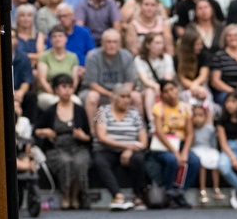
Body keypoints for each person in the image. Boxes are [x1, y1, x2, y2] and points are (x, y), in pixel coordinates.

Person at [35, 74, 93, 210]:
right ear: (56, 90)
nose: (67, 90)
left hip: (78, 146)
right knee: (65, 162)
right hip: (57, 148)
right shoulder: (50, 110)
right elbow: (36, 130)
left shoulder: (79, 110)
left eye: (70, 87)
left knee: (80, 162)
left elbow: (89, 136)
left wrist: (83, 136)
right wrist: (45, 132)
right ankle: (66, 195)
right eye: (63, 87)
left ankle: (75, 196)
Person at [93, 83, 149, 211]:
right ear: (113, 98)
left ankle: (138, 196)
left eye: (128, 97)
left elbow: (144, 140)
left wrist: (129, 149)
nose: (126, 100)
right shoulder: (101, 111)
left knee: (139, 159)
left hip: (130, 151)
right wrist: (126, 145)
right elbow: (102, 137)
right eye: (123, 96)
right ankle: (117, 196)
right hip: (107, 149)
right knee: (99, 160)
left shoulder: (135, 113)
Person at [148, 80, 199, 208]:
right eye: (166, 91)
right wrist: (176, 152)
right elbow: (159, 132)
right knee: (172, 160)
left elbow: (190, 133)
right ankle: (168, 192)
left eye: (172, 89)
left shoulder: (185, 108)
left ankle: (180, 193)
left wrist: (185, 151)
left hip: (181, 143)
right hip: (164, 145)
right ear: (162, 94)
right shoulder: (158, 108)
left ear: (177, 90)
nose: (170, 93)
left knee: (194, 161)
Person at [82, 29, 138, 126]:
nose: (112, 45)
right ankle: (93, 131)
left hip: (120, 92)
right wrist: (111, 94)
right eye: (108, 42)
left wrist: (121, 95)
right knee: (92, 97)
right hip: (99, 92)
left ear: (120, 44)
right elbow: (92, 84)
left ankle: (136, 129)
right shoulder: (93, 56)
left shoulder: (126, 56)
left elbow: (129, 82)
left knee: (136, 97)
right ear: (102, 43)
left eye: (115, 42)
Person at [189, 104, 225, 205]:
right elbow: (190, 143)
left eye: (200, 115)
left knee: (215, 160)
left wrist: (213, 152)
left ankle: (216, 188)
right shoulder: (190, 129)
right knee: (202, 163)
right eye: (195, 116)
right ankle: (202, 190)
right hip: (195, 149)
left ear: (206, 117)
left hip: (208, 149)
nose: (197, 119)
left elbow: (213, 143)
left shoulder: (210, 129)